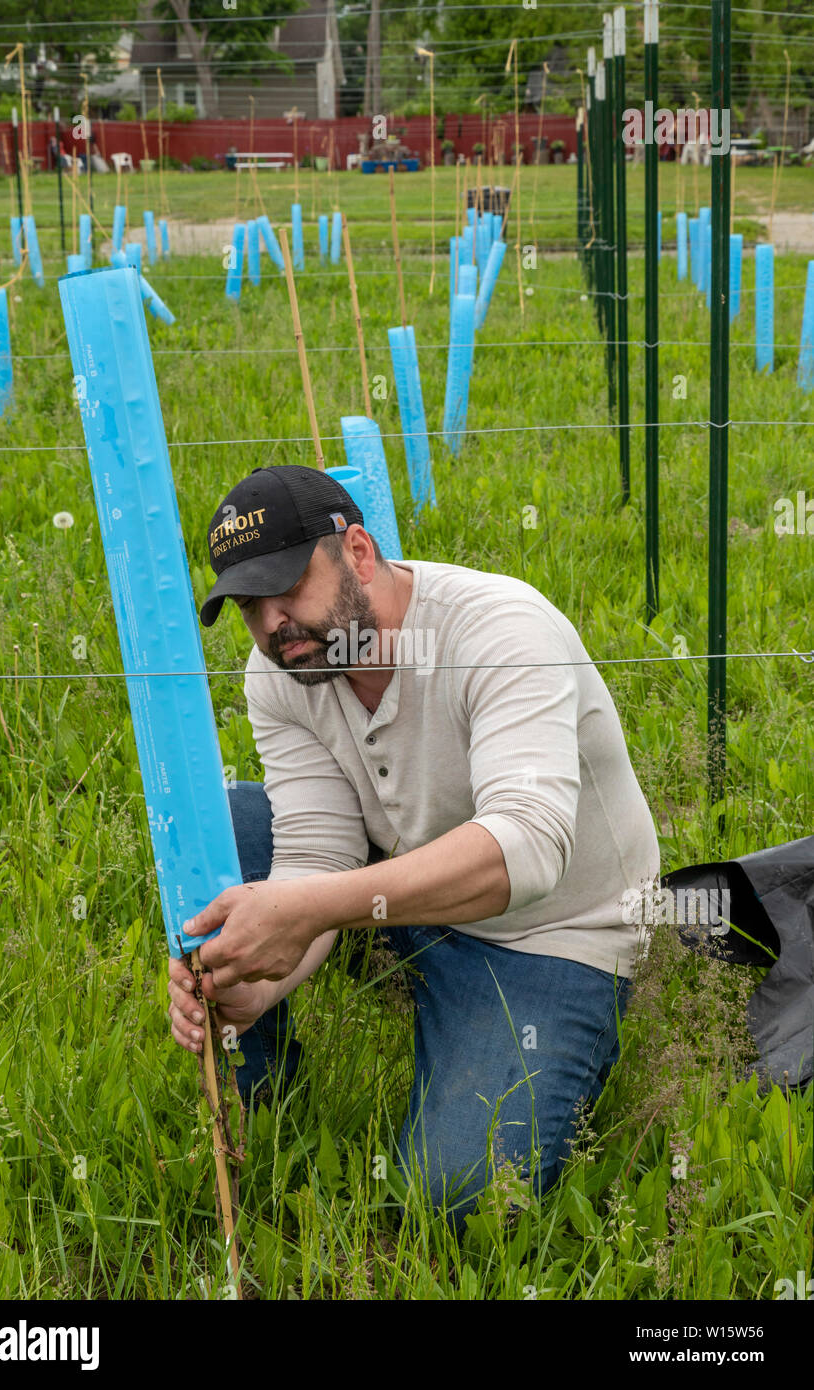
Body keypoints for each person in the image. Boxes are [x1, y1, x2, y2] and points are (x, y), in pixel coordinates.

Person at [167, 465, 660, 1229]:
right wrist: (258, 982)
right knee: (231, 834)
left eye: (288, 590)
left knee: (458, 1198)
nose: (272, 626)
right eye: (248, 608)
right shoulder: (283, 672)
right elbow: (319, 853)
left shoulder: (499, 630)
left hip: (553, 931)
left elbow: (527, 849)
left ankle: (557, 1034)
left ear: (358, 553)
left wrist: (307, 910)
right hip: (402, 893)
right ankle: (261, 1110)